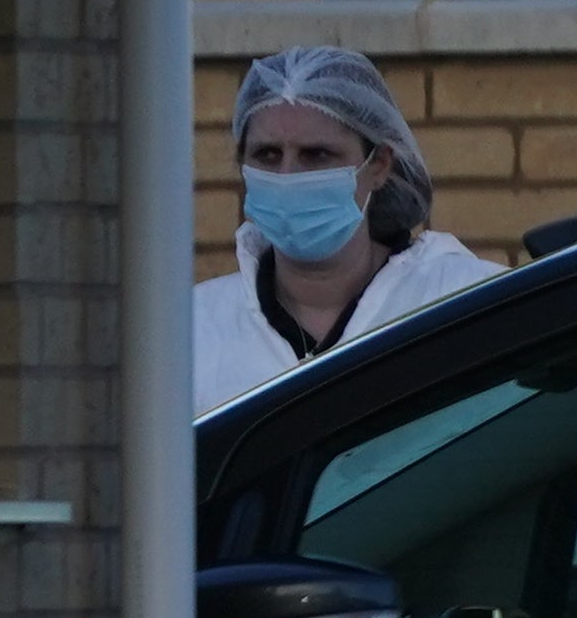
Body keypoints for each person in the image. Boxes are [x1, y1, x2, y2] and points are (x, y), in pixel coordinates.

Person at [198, 45, 497, 416]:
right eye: (267, 155)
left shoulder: (467, 302)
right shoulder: (194, 330)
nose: (288, 176)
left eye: (317, 155)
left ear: (379, 165)